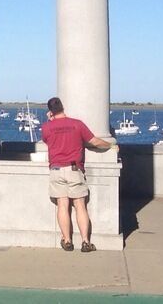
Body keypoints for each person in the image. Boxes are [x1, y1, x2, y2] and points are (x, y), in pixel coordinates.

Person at [40, 96, 116, 253]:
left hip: (56, 170)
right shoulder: (77, 124)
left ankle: (67, 240)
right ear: (63, 107)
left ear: (50, 112)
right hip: (75, 169)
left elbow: (47, 140)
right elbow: (94, 141)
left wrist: (50, 121)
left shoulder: (47, 127)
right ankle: (85, 242)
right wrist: (111, 145)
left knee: (62, 205)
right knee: (80, 205)